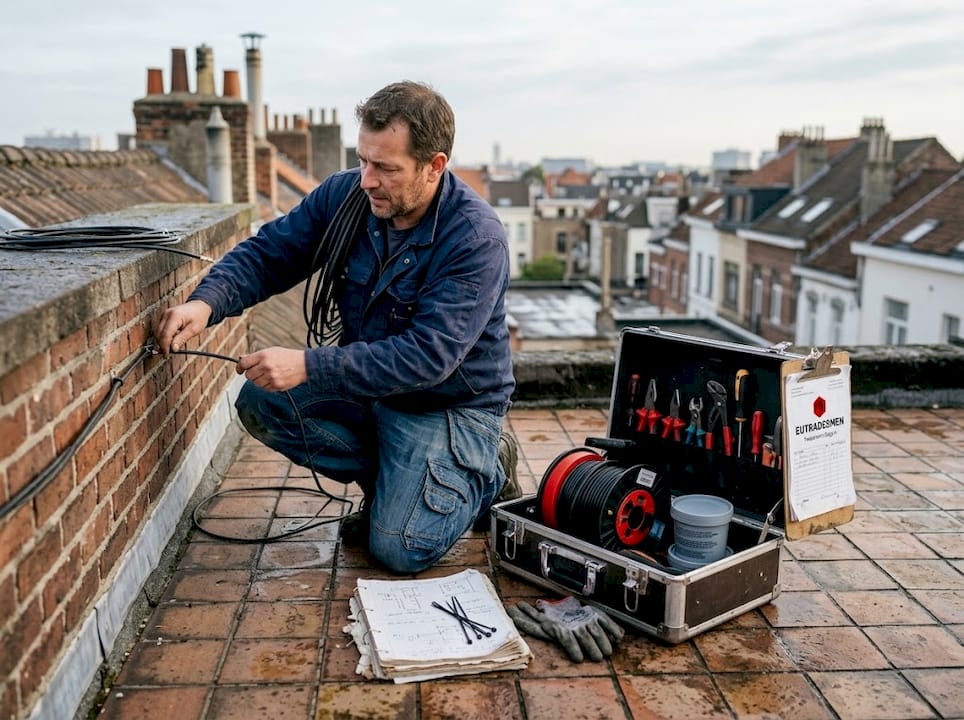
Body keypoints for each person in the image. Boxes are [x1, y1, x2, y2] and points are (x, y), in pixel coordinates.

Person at [154, 80, 519, 573]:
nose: (367, 179)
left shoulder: (475, 237)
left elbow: (427, 356)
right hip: (372, 389)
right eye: (364, 160)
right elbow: (270, 254)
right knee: (262, 403)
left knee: (398, 549)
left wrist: (307, 365)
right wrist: (206, 303)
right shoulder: (347, 195)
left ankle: (488, 466)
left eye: (386, 168)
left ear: (435, 166)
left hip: (447, 405)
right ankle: (399, 483)